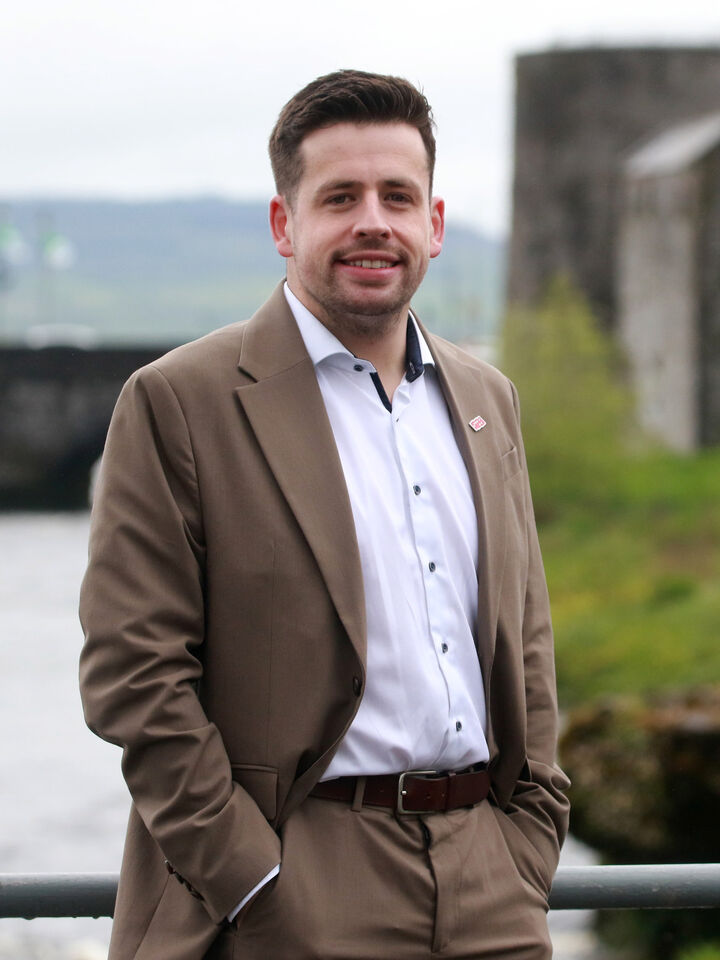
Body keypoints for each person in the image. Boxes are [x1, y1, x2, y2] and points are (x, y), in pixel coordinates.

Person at [79, 69, 568, 960]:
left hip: (491, 885)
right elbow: (133, 672)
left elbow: (523, 633)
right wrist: (250, 877)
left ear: (434, 224)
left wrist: (530, 837)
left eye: (398, 197)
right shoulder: (180, 401)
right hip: (299, 881)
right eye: (340, 197)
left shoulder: (485, 400)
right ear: (284, 224)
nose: (373, 222)